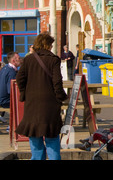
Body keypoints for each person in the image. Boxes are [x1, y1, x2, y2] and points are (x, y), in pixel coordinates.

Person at [15, 32, 68, 160]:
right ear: (47, 45)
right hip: (50, 103)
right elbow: (57, 82)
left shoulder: (28, 59)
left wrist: (24, 94)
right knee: (51, 136)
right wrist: (61, 97)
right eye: (50, 44)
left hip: (32, 103)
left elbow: (19, 79)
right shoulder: (53, 59)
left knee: (34, 136)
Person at [0, 52, 21, 120]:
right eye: (19, 58)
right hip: (4, 101)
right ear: (13, 61)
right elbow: (11, 91)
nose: (20, 60)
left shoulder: (5, 68)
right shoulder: (11, 72)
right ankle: (14, 125)